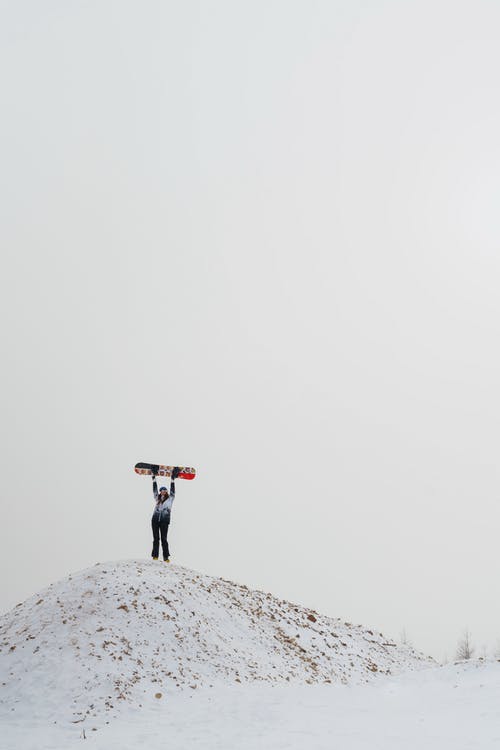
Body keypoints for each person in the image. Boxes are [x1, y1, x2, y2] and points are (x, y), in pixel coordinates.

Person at [151, 467, 180, 562]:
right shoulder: (157, 499)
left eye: (164, 490)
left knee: (164, 539)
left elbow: (173, 491)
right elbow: (154, 490)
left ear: (166, 492)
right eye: (161, 490)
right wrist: (154, 477)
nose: (163, 491)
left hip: (164, 521)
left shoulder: (170, 499)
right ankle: (155, 556)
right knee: (156, 538)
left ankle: (166, 557)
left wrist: (172, 480)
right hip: (155, 520)